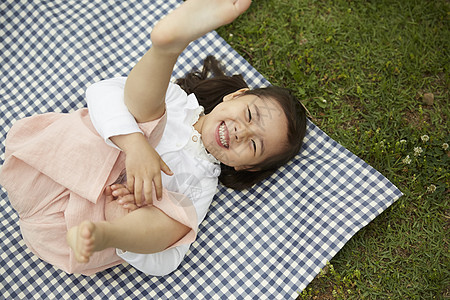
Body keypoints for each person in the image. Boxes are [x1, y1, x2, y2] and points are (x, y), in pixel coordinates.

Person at [0, 0, 307, 276]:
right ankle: (166, 47)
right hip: (50, 167)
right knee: (150, 118)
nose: (243, 131)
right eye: (250, 115)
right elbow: (101, 92)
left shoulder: (201, 184)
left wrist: (140, 211)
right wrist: (134, 144)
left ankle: (110, 232)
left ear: (248, 168)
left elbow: (167, 261)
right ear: (234, 96)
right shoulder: (176, 102)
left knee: (178, 220)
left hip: (71, 232)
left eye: (254, 145)